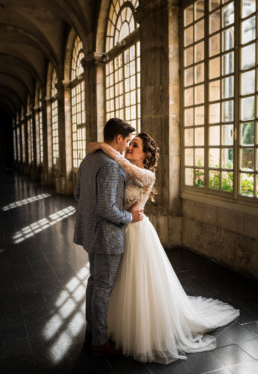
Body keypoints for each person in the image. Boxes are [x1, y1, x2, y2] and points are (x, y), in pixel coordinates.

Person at [88, 132, 240, 364]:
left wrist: (101, 145)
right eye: (129, 143)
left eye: (135, 145)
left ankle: (140, 331)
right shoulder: (124, 172)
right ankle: (111, 327)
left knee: (137, 281)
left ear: (145, 154)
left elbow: (121, 161)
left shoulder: (146, 175)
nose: (129, 148)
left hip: (138, 232)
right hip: (121, 228)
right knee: (117, 280)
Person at [73, 118, 144, 357]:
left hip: (91, 232)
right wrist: (129, 217)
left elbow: (78, 194)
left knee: (94, 282)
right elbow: (106, 208)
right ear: (118, 138)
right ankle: (99, 342)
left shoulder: (88, 160)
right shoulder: (111, 166)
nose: (126, 146)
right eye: (126, 141)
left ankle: (92, 331)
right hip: (107, 236)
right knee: (102, 287)